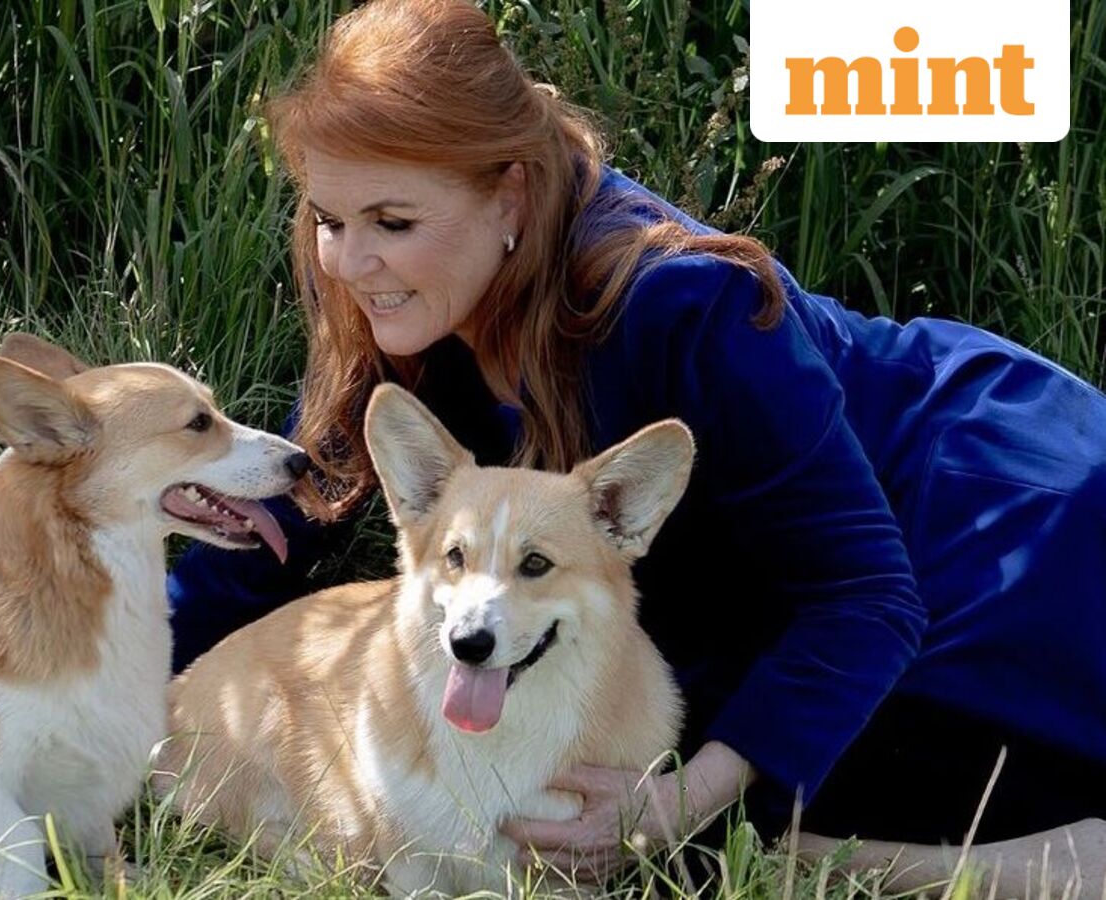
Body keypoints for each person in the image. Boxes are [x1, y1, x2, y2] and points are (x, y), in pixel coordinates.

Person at [165, 0, 1106, 893]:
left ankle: (1009, 861)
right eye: (328, 221)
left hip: (988, 521)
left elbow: (863, 596)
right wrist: (100, 691)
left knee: (752, 797)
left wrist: (673, 807)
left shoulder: (680, 304)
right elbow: (284, 528)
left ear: (510, 195)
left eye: (391, 223)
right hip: (765, 579)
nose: (348, 261)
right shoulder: (404, 301)